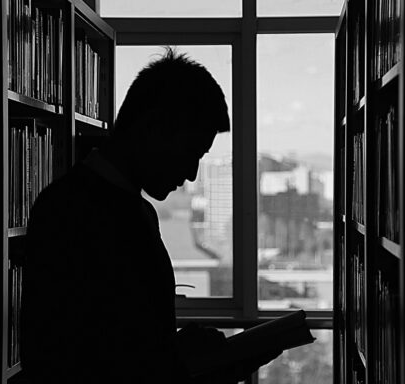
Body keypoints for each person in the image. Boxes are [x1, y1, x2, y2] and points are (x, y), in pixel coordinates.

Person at [20, 48, 279, 384]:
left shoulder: (101, 207)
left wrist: (176, 350)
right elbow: (61, 360)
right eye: (191, 152)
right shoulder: (71, 212)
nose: (191, 173)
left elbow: (118, 343)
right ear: (155, 127)